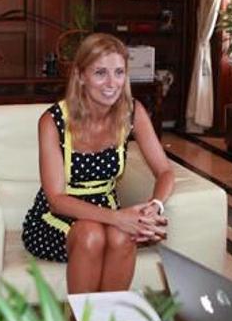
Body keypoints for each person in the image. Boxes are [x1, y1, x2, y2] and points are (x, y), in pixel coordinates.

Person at [22, 33, 173, 294]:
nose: (111, 83)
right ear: (81, 76)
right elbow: (56, 198)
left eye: (119, 72)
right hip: (56, 217)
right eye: (100, 73)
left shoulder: (132, 112)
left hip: (107, 210)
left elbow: (165, 171)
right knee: (92, 234)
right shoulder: (52, 120)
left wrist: (154, 207)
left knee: (122, 235)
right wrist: (118, 218)